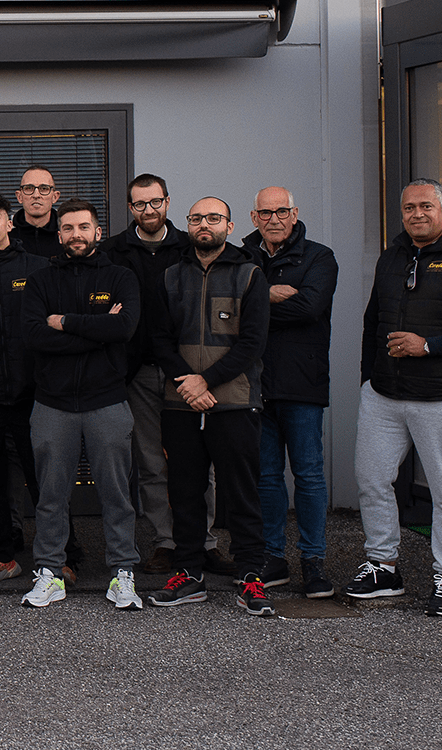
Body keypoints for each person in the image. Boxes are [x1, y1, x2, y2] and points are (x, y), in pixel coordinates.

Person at [349, 179, 442, 617]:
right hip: (384, 396)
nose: (416, 214)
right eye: (408, 208)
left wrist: (428, 346)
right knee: (372, 481)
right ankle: (383, 567)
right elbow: (373, 321)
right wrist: (368, 379)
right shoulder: (393, 256)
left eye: (425, 206)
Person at [144, 197, 276, 618]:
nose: (205, 224)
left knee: (242, 492)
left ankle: (251, 574)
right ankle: (189, 573)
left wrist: (207, 381)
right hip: (181, 404)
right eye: (197, 218)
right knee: (184, 492)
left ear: (229, 226)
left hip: (234, 402)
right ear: (188, 225)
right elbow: (159, 339)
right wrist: (188, 383)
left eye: (214, 218)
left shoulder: (250, 274)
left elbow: (253, 343)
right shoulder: (170, 276)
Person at [0, 192, 84, 588]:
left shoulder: (39, 268)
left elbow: (56, 330)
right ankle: (0, 558)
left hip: (36, 396)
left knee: (47, 480)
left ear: (10, 222)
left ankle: (62, 557)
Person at [19, 199, 143, 610]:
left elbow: (123, 328)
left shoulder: (120, 276)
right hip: (52, 404)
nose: (76, 235)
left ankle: (122, 573)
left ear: (97, 232)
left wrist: (66, 322)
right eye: (69, 228)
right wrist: (98, 329)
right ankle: (50, 573)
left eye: (83, 227)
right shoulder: (40, 281)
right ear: (59, 235)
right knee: (51, 496)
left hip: (107, 401)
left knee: (116, 494)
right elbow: (34, 336)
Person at [103, 173, 210, 575]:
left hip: (188, 372)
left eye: (155, 202)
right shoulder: (113, 251)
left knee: (198, 462)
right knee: (150, 462)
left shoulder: (189, 246)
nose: (148, 210)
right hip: (138, 373)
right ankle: (166, 541)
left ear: (167, 202)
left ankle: (204, 541)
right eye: (139, 204)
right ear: (130, 208)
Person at [243, 186, 339, 598]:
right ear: (254, 218)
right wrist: (267, 294)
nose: (274, 219)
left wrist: (255, 302)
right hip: (256, 383)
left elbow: (309, 308)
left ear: (295, 213)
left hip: (303, 383)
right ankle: (273, 557)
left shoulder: (319, 257)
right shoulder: (243, 256)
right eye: (266, 213)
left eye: (281, 211)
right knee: (266, 477)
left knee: (309, 476)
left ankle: (313, 561)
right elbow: (231, 309)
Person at [10, 167, 63, 259]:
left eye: (44, 188)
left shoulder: (66, 234)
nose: (36, 195)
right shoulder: (6, 237)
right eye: (29, 188)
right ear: (19, 196)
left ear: (55, 197)